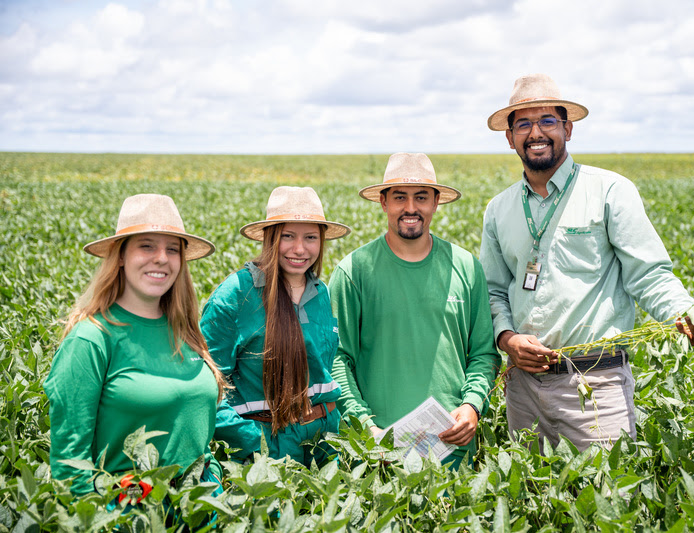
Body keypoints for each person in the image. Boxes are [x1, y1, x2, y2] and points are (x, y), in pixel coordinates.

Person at [480, 74, 694, 451]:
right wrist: (507, 339)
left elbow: (649, 274)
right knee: (528, 487)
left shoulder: (610, 191)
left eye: (547, 121)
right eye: (523, 124)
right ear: (510, 138)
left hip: (596, 385)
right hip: (523, 391)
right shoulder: (499, 210)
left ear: (567, 128)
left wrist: (687, 314)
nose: (536, 132)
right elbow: (494, 291)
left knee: (608, 488)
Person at [44, 194, 227, 497]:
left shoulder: (186, 332)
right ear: (120, 255)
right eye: (146, 246)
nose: (162, 258)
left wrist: (213, 477)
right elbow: (70, 466)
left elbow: (194, 433)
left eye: (172, 249)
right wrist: (106, 514)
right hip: (130, 510)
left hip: (201, 508)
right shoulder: (91, 340)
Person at [330, 152, 501, 468]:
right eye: (400, 197)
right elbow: (337, 359)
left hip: (452, 447)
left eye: (421, 197)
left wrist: (472, 405)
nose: (411, 208)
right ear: (383, 202)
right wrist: (364, 425)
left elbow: (484, 354)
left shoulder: (466, 267)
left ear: (436, 202)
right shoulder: (354, 271)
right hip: (378, 449)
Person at [200, 186, 351, 467]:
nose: (300, 249)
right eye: (288, 236)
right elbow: (206, 387)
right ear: (270, 238)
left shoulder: (321, 293)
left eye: (310, 237)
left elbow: (325, 373)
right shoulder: (236, 295)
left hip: (325, 444)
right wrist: (252, 441)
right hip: (268, 446)